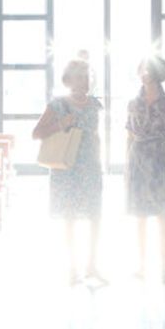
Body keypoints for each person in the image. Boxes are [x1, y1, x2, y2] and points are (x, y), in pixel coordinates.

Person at [32, 58, 105, 285]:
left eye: (86, 75)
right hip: (67, 167)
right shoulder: (58, 104)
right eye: (78, 76)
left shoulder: (95, 104)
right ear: (68, 79)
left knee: (94, 215)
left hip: (91, 165)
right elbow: (36, 133)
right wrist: (61, 124)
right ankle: (72, 268)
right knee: (70, 217)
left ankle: (92, 265)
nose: (83, 80)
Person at [124, 55, 165, 284]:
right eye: (142, 69)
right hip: (138, 156)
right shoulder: (133, 102)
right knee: (139, 215)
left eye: (149, 69)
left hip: (160, 156)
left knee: (162, 214)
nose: (145, 73)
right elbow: (128, 134)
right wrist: (126, 166)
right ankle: (140, 265)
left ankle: (163, 267)